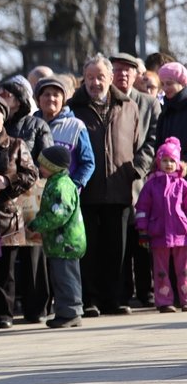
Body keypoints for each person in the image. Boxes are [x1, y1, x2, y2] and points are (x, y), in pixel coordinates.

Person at [68, 53, 140, 317]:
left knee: (118, 248)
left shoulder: (129, 105)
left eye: (100, 77)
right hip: (86, 191)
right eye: (90, 77)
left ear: (110, 78)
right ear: (83, 79)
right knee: (89, 248)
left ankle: (117, 299)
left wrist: (135, 171)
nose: (95, 82)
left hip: (119, 187)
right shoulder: (73, 108)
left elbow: (138, 143)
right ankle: (90, 299)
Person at [0, 94, 38, 329]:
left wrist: (5, 180)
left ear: (4, 117)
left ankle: (4, 313)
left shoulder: (16, 145)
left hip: (7, 216)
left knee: (5, 271)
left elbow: (31, 174)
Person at [0, 74, 53, 323]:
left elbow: (47, 158)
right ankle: (3, 311)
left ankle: (36, 308)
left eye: (5, 94)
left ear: (18, 99)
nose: (0, 99)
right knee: (5, 256)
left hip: (32, 195)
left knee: (33, 256)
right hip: (3, 197)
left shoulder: (36, 125)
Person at [110, 52, 161, 310]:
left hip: (141, 180)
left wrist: (139, 167)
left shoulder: (149, 103)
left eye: (128, 71)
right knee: (120, 240)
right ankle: (123, 292)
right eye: (117, 70)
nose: (123, 75)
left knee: (142, 237)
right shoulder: (106, 100)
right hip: (114, 181)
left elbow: (153, 139)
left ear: (136, 75)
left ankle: (146, 289)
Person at [27, 145, 86, 328]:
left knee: (66, 278)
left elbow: (59, 213)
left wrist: (37, 224)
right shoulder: (55, 181)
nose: (40, 168)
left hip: (66, 242)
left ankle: (71, 312)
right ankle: (64, 311)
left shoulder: (61, 185)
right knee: (59, 278)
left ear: (53, 166)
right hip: (58, 242)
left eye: (43, 165)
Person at [135, 137, 187, 313]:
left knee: (184, 270)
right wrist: (142, 229)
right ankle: (164, 301)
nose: (169, 164)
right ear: (158, 162)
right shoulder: (151, 185)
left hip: (181, 233)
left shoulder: (182, 185)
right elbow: (142, 207)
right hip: (159, 233)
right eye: (165, 160)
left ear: (178, 163)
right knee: (161, 270)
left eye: (172, 161)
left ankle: (185, 299)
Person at [33, 77, 95, 189]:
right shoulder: (29, 125)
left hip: (62, 196)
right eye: (46, 94)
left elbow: (88, 163)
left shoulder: (76, 126)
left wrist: (72, 187)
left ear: (63, 100)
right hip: (32, 197)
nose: (51, 98)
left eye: (56, 95)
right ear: (38, 99)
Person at [155, 62, 187, 155]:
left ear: (182, 82)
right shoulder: (165, 111)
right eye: (162, 84)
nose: (165, 88)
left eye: (169, 83)